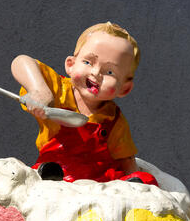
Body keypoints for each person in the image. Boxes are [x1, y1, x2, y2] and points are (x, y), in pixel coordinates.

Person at [11, 21, 157, 185]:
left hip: (99, 177)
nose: (96, 73)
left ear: (124, 88)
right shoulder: (58, 92)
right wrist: (38, 89)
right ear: (70, 65)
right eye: (88, 62)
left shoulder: (113, 119)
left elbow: (126, 158)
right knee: (46, 176)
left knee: (143, 180)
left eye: (110, 72)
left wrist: (134, 180)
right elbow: (21, 61)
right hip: (57, 170)